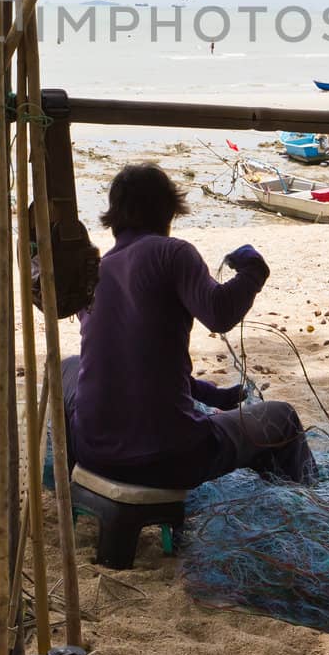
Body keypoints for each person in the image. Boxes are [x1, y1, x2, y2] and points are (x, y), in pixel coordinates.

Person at [62, 163, 315, 490]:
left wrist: (212, 395)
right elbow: (220, 314)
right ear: (169, 211)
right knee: (283, 417)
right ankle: (311, 501)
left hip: (93, 456)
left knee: (71, 366)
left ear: (114, 217)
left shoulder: (94, 274)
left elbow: (133, 361)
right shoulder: (173, 253)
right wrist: (253, 271)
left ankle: (73, 485)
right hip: (169, 459)